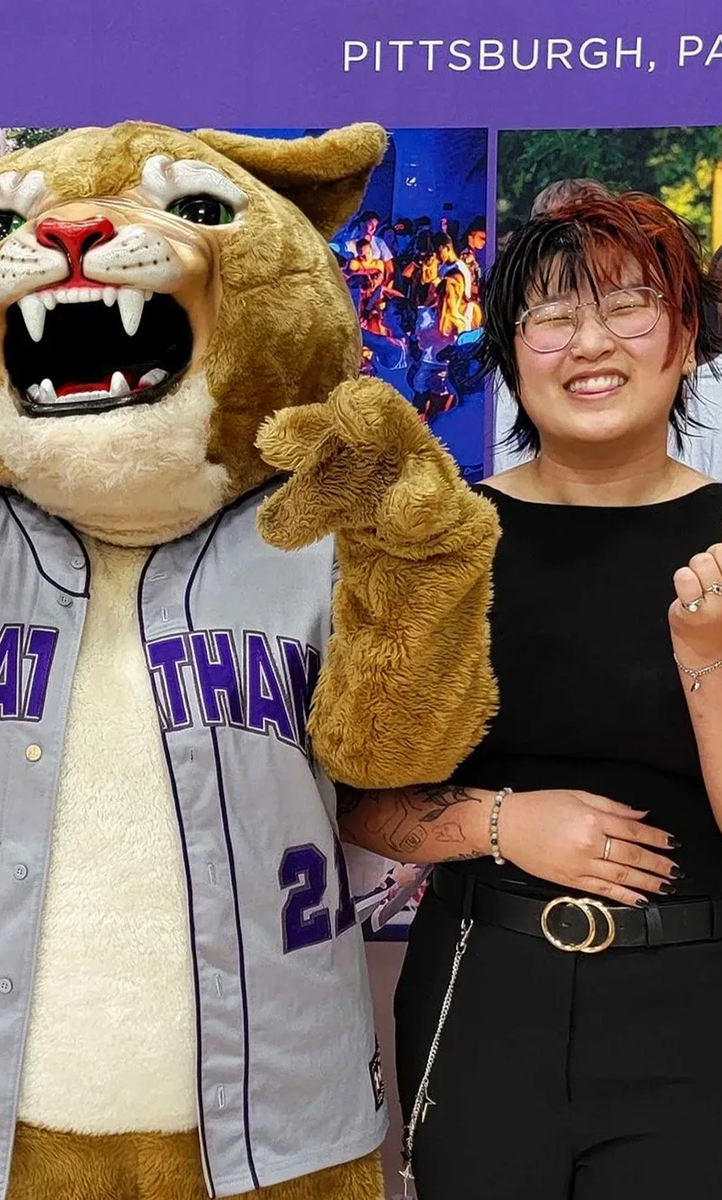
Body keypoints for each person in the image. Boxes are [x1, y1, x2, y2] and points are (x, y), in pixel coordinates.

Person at [339, 192, 722, 1198]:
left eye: (629, 306)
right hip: (483, 992)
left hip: (697, 1003)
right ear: (513, 354)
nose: (590, 343)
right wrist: (501, 823)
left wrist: (708, 660)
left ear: (684, 336)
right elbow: (358, 794)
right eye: (552, 316)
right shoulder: (440, 542)